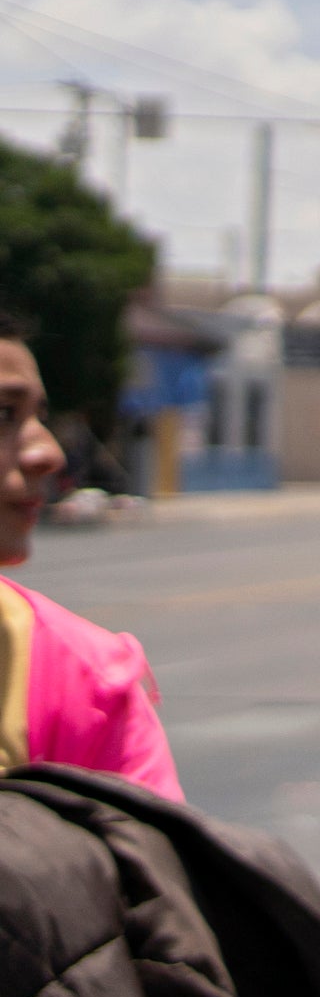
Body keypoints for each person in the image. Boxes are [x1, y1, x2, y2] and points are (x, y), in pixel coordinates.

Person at [0, 311, 180, 795]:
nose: (48, 453)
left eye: (37, 415)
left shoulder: (86, 681)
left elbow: (148, 864)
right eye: (3, 415)